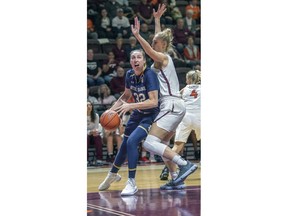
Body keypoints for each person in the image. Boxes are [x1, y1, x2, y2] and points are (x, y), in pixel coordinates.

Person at [130, 4, 198, 190]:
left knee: (150, 143)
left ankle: (185, 165)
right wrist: (157, 20)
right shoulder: (160, 57)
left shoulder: (164, 57)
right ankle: (176, 178)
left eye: (155, 42)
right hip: (175, 106)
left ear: (164, 45)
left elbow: (152, 50)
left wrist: (137, 36)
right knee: (162, 145)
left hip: (171, 104)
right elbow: (157, 41)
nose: (152, 43)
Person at [98, 49, 160, 196]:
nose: (136, 59)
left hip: (151, 115)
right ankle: (113, 173)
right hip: (138, 113)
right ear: (131, 62)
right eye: (133, 58)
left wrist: (130, 106)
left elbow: (153, 101)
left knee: (132, 142)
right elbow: (126, 96)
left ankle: (131, 182)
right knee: (125, 143)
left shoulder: (150, 75)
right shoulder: (129, 74)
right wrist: (110, 111)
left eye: (139, 57)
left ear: (144, 61)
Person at [160, 70, 201, 180]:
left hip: (185, 117)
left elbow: (174, 101)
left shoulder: (184, 90)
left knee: (177, 146)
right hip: (200, 117)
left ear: (189, 79)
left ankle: (166, 168)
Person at [87, 100, 104, 166]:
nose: (89, 107)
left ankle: (99, 159)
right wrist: (90, 132)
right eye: (87, 105)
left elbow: (96, 127)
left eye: (90, 105)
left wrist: (94, 131)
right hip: (86, 135)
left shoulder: (96, 115)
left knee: (97, 136)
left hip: (93, 134)